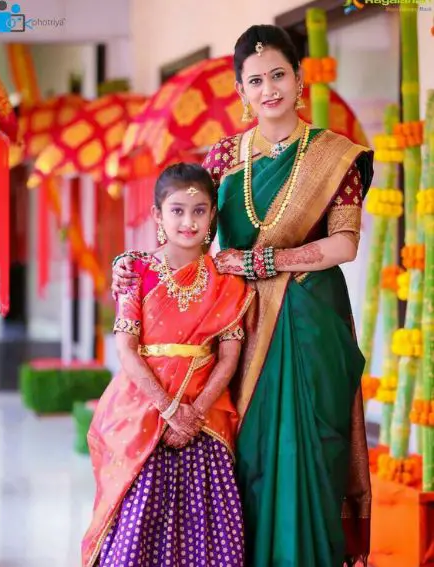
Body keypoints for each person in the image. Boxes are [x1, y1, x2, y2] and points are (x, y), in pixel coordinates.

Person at [112, 25, 374, 567]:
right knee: (249, 454)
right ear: (241, 91)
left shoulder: (336, 155)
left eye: (279, 75)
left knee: (309, 452)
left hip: (310, 322)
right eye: (256, 80)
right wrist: (129, 265)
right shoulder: (222, 158)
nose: (269, 89)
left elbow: (344, 246)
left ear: (300, 80)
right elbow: (188, 238)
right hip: (239, 325)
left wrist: (261, 261)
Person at [82, 163, 255, 567]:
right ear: (157, 215)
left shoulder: (227, 279)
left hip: (206, 417)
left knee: (208, 527)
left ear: (213, 214)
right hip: (143, 412)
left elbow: (228, 357)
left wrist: (193, 414)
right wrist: (170, 409)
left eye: (199, 210)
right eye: (177, 210)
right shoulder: (136, 270)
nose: (188, 221)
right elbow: (126, 348)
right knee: (136, 522)